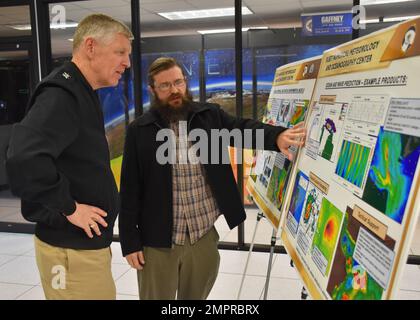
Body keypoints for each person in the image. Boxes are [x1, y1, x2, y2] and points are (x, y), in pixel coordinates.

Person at [119, 57, 307, 300]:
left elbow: (241, 129)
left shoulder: (208, 116)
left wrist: (277, 137)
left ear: (185, 83)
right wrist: (130, 242)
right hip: (158, 243)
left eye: (178, 82)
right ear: (153, 90)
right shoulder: (140, 130)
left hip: (203, 237)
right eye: (165, 85)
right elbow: (129, 188)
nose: (174, 90)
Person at [6, 14, 132, 300]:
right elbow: (23, 159)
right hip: (70, 254)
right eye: (120, 52)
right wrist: (70, 208)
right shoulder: (62, 94)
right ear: (90, 46)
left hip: (81, 250)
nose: (126, 63)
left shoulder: (81, 90)